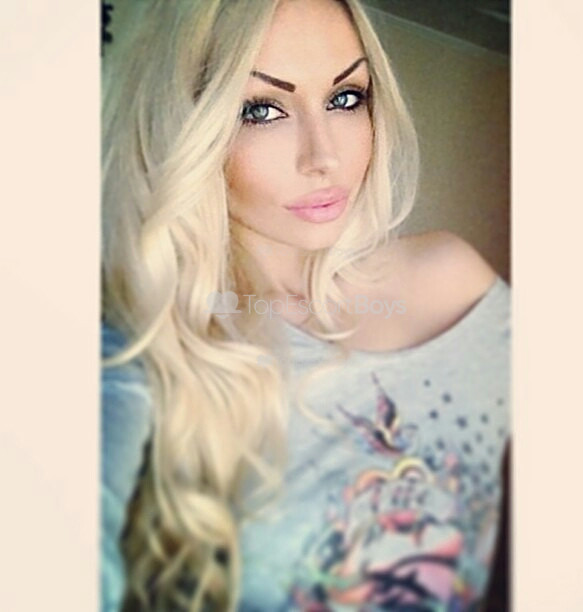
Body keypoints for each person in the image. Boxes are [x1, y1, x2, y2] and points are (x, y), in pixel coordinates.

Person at [101, 0, 510, 610]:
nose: (324, 157)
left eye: (346, 98)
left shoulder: (453, 282)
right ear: (182, 124)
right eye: (261, 110)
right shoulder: (139, 348)